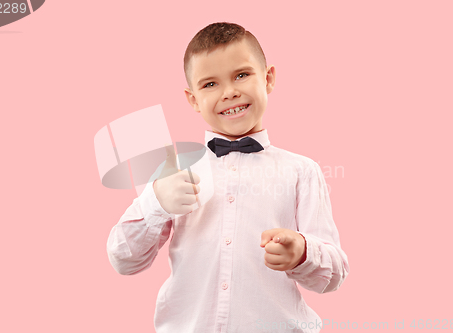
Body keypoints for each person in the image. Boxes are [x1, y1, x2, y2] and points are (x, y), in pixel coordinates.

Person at [107, 22, 349, 333]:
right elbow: (123, 261)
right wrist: (156, 201)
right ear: (192, 99)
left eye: (241, 75)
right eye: (209, 84)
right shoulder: (173, 170)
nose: (230, 92)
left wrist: (302, 252)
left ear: (269, 78)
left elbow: (335, 274)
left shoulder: (302, 171)